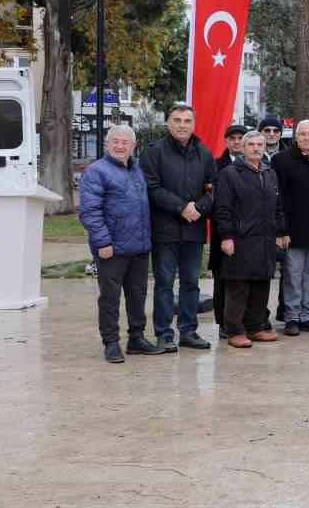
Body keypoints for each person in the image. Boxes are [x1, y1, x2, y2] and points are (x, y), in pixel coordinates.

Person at [79, 124, 167, 362]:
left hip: (139, 247)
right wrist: (102, 242)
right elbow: (90, 211)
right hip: (111, 249)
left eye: (124, 142)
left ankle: (136, 338)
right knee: (110, 297)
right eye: (115, 141)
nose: (119, 146)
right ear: (107, 145)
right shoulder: (96, 172)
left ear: (133, 146)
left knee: (137, 295)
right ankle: (111, 343)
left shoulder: (137, 171)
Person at [140, 103, 216, 351]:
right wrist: (181, 207)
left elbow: (214, 188)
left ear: (193, 124)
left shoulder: (204, 153)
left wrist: (200, 207)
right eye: (177, 120)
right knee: (164, 283)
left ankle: (188, 331)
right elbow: (151, 188)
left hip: (194, 230)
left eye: (187, 121)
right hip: (165, 230)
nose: (182, 125)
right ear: (168, 123)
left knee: (191, 282)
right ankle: (164, 333)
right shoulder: (154, 152)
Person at [214, 131, 288, 348]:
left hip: (265, 239)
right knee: (238, 287)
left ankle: (255, 327)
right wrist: (226, 237)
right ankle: (234, 330)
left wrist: (281, 231)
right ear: (243, 148)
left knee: (261, 284)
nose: (256, 148)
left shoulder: (270, 173)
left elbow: (278, 206)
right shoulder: (229, 173)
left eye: (260, 144)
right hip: (240, 239)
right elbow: (223, 209)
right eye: (251, 144)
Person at [273, 119, 309, 335]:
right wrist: (281, 230)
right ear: (296, 137)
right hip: (293, 229)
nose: (306, 138)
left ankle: (306, 315)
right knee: (292, 276)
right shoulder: (282, 160)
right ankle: (291, 317)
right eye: (302, 134)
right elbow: (277, 199)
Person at [208, 123, 247, 337]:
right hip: (224, 231)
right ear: (226, 141)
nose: (236, 141)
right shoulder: (216, 166)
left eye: (240, 137)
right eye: (232, 138)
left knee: (246, 278)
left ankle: (245, 320)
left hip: (249, 233)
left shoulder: (256, 164)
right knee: (223, 278)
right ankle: (223, 322)